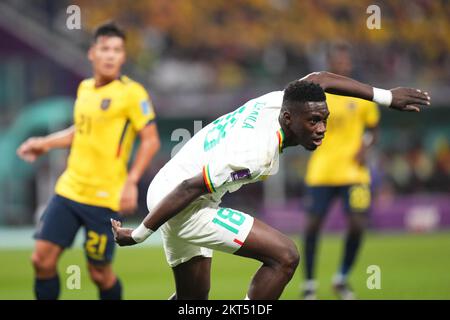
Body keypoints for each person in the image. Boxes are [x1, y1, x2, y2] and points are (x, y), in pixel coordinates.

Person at [112, 72, 430, 300]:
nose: (321, 129)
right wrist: (139, 233)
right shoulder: (255, 153)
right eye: (313, 122)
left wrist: (386, 97)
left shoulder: (280, 101)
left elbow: (321, 79)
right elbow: (190, 187)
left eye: (324, 119)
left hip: (172, 185)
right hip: (181, 202)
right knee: (286, 256)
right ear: (289, 119)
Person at [16, 22, 161, 300]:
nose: (110, 55)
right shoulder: (84, 88)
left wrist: (131, 182)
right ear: (92, 53)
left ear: (123, 57)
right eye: (105, 49)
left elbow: (151, 139)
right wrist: (44, 144)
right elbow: (80, 131)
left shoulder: (132, 94)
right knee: (41, 261)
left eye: (117, 50)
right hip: (69, 190)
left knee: (99, 273)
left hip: (105, 199)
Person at [301, 42, 380, 300]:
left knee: (357, 224)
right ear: (329, 64)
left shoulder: (362, 95)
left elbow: (372, 130)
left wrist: (365, 146)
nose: (344, 65)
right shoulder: (317, 94)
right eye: (339, 61)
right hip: (321, 171)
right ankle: (310, 284)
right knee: (313, 226)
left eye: (347, 61)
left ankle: (341, 278)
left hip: (355, 173)